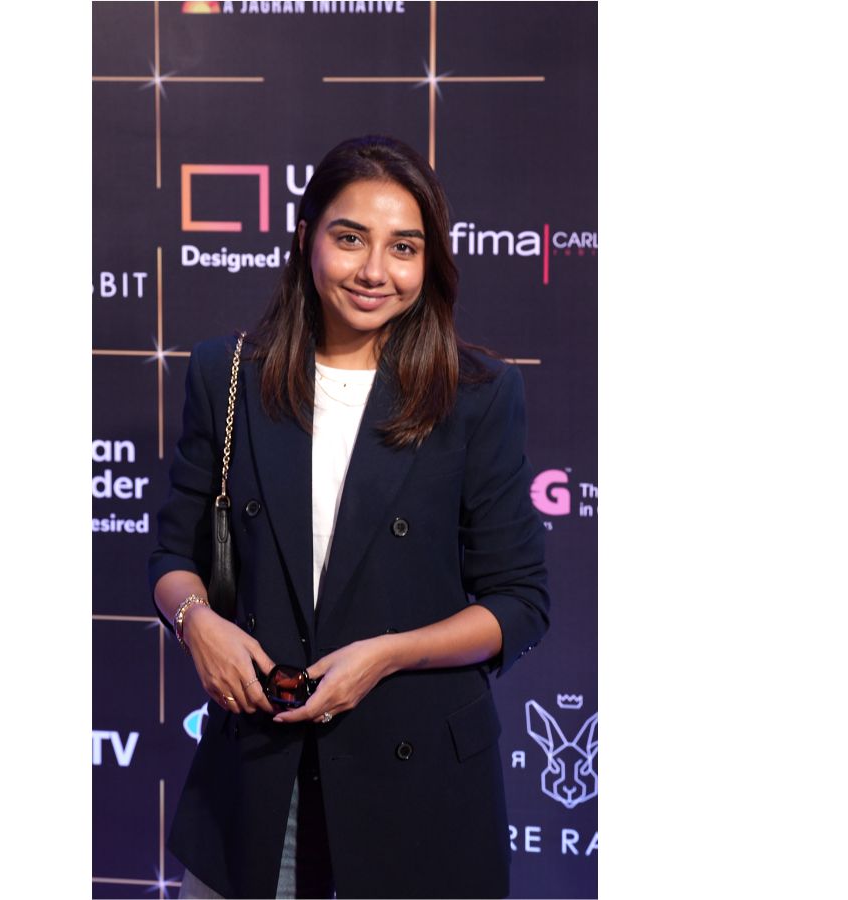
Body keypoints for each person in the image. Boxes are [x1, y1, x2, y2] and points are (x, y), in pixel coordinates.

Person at [149, 134, 550, 899]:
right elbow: (173, 558)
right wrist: (198, 623)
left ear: (429, 261)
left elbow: (519, 603)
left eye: (404, 247)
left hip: (422, 788)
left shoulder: (476, 395)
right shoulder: (227, 376)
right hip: (259, 778)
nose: (375, 271)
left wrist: (387, 655)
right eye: (350, 238)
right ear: (306, 239)